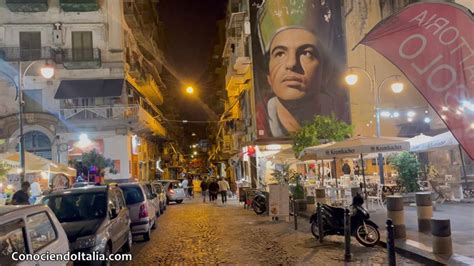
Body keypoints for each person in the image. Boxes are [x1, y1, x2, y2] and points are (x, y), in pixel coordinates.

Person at [255, 0, 349, 138]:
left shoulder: (343, 119)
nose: (292, 63)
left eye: (307, 53)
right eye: (280, 53)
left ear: (326, 72)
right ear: (268, 75)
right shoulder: (260, 123)